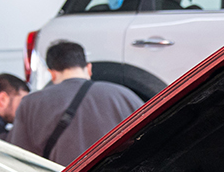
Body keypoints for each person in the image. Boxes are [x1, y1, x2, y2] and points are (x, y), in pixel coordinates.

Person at [10, 41, 142, 165]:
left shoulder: (31, 103)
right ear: (89, 68)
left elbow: (21, 159)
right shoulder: (124, 95)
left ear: (52, 74)